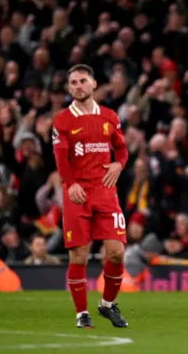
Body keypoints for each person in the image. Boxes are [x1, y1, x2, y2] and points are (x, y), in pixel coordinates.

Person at [52, 64, 129, 329]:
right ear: (69, 87)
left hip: (106, 191)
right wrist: (70, 183)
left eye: (82, 81)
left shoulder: (109, 116)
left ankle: (107, 305)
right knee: (79, 256)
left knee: (117, 253)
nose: (78, 86)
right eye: (73, 83)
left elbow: (122, 149)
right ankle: (81, 313)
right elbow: (60, 157)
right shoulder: (62, 120)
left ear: (94, 84)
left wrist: (119, 164)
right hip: (77, 193)